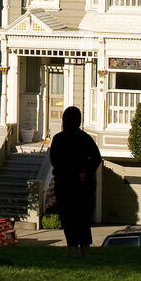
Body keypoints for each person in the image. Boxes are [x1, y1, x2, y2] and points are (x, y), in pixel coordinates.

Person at [49, 106, 102, 258]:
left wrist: (72, 171)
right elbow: (96, 159)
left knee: (69, 219)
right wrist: (85, 171)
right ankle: (85, 250)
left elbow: (55, 161)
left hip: (65, 186)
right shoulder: (85, 138)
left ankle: (73, 249)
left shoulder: (59, 139)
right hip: (82, 187)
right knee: (83, 220)